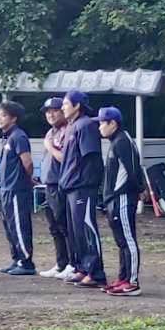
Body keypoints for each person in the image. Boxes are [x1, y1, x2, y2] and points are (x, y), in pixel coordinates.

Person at [58, 90, 108, 289]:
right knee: (75, 230)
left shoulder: (86, 125)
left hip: (82, 187)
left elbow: (91, 158)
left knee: (86, 227)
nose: (62, 107)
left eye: (65, 103)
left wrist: (89, 183)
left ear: (77, 105)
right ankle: (82, 267)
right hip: (70, 186)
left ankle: (95, 272)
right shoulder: (71, 126)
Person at [98, 107, 143, 296]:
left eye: (102, 123)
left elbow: (133, 170)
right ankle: (123, 277)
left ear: (113, 123)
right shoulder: (115, 141)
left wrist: (139, 190)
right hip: (113, 199)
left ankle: (132, 282)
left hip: (122, 198)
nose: (99, 127)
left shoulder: (123, 141)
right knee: (121, 241)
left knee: (128, 240)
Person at [0, 100, 36, 276]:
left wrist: (27, 179)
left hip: (17, 189)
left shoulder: (19, 136)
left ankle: (26, 262)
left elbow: (27, 162)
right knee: (9, 225)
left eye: (4, 115)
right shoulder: (7, 137)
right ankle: (17, 258)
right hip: (6, 189)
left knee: (19, 225)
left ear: (13, 118)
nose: (0, 119)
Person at [37, 97, 75, 279]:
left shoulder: (68, 131)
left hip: (61, 184)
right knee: (54, 227)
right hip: (49, 183)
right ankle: (61, 263)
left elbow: (65, 158)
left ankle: (72, 264)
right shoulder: (51, 132)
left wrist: (49, 146)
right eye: (47, 111)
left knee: (64, 225)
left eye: (54, 110)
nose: (50, 114)